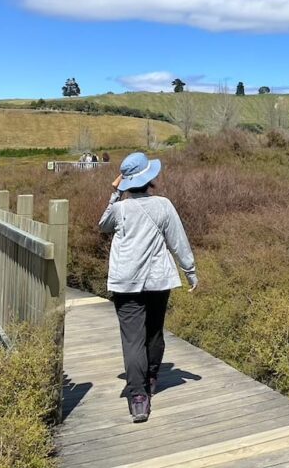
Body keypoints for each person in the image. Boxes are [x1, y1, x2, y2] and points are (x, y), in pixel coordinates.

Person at [98, 152, 198, 423]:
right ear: (150, 178)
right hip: (158, 280)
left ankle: (138, 398)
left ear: (126, 182)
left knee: (133, 340)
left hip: (125, 282)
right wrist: (189, 271)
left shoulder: (118, 209)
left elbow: (102, 225)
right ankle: (152, 378)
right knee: (154, 333)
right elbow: (178, 240)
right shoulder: (164, 205)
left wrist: (114, 193)